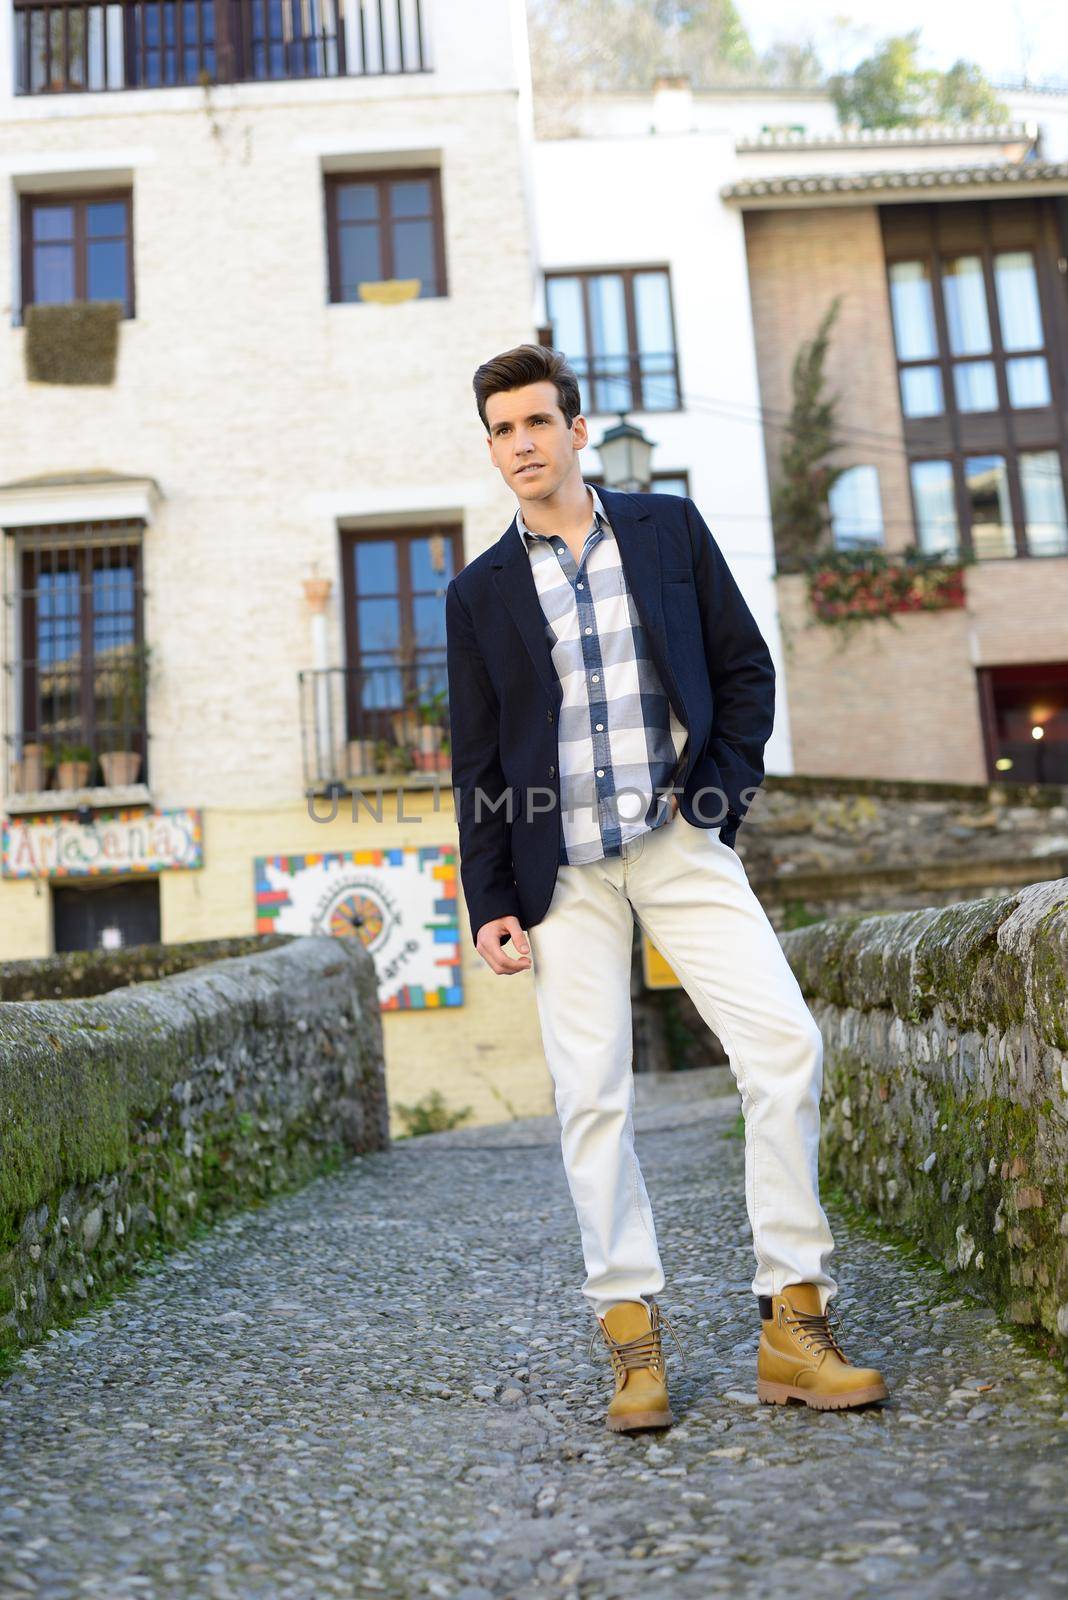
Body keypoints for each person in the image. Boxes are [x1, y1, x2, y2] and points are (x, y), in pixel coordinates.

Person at [445, 342, 888, 1431]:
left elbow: (745, 673)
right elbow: (479, 759)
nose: (522, 446)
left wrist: (714, 805)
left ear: (576, 428)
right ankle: (632, 1341)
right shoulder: (479, 592)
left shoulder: (666, 532)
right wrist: (491, 900)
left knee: (785, 1045)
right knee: (593, 1094)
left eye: (537, 422)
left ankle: (795, 1313)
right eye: (502, 430)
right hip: (561, 874)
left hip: (675, 840)